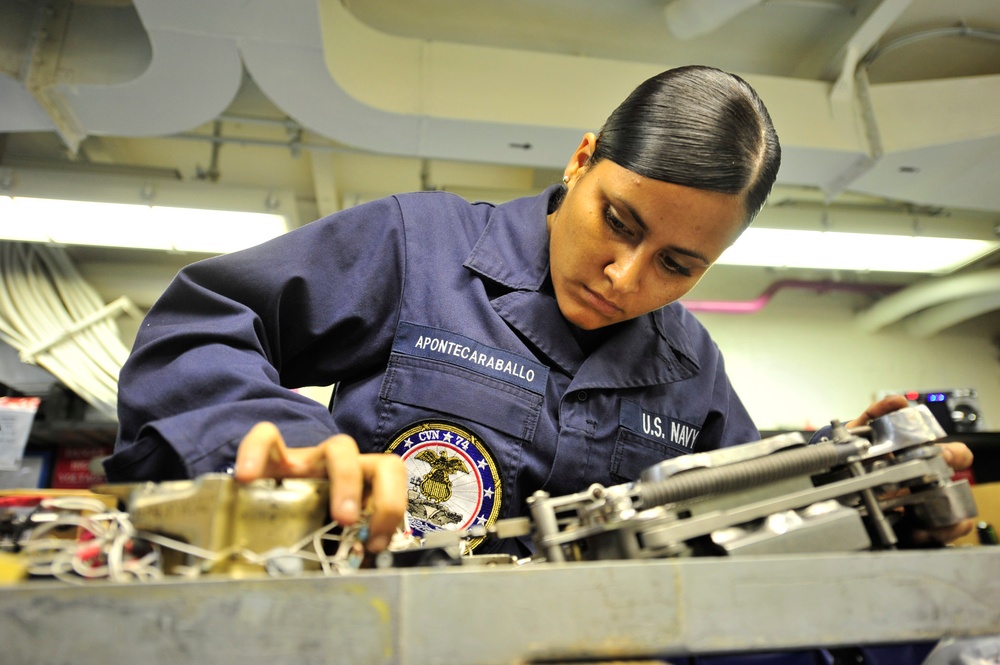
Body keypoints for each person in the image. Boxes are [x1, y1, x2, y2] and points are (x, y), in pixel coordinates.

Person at [106, 65, 972, 558]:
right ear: (583, 159)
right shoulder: (420, 246)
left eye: (678, 263)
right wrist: (280, 436)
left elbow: (745, 522)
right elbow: (201, 325)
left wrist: (846, 480)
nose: (626, 277)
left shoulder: (693, 369)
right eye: (619, 222)